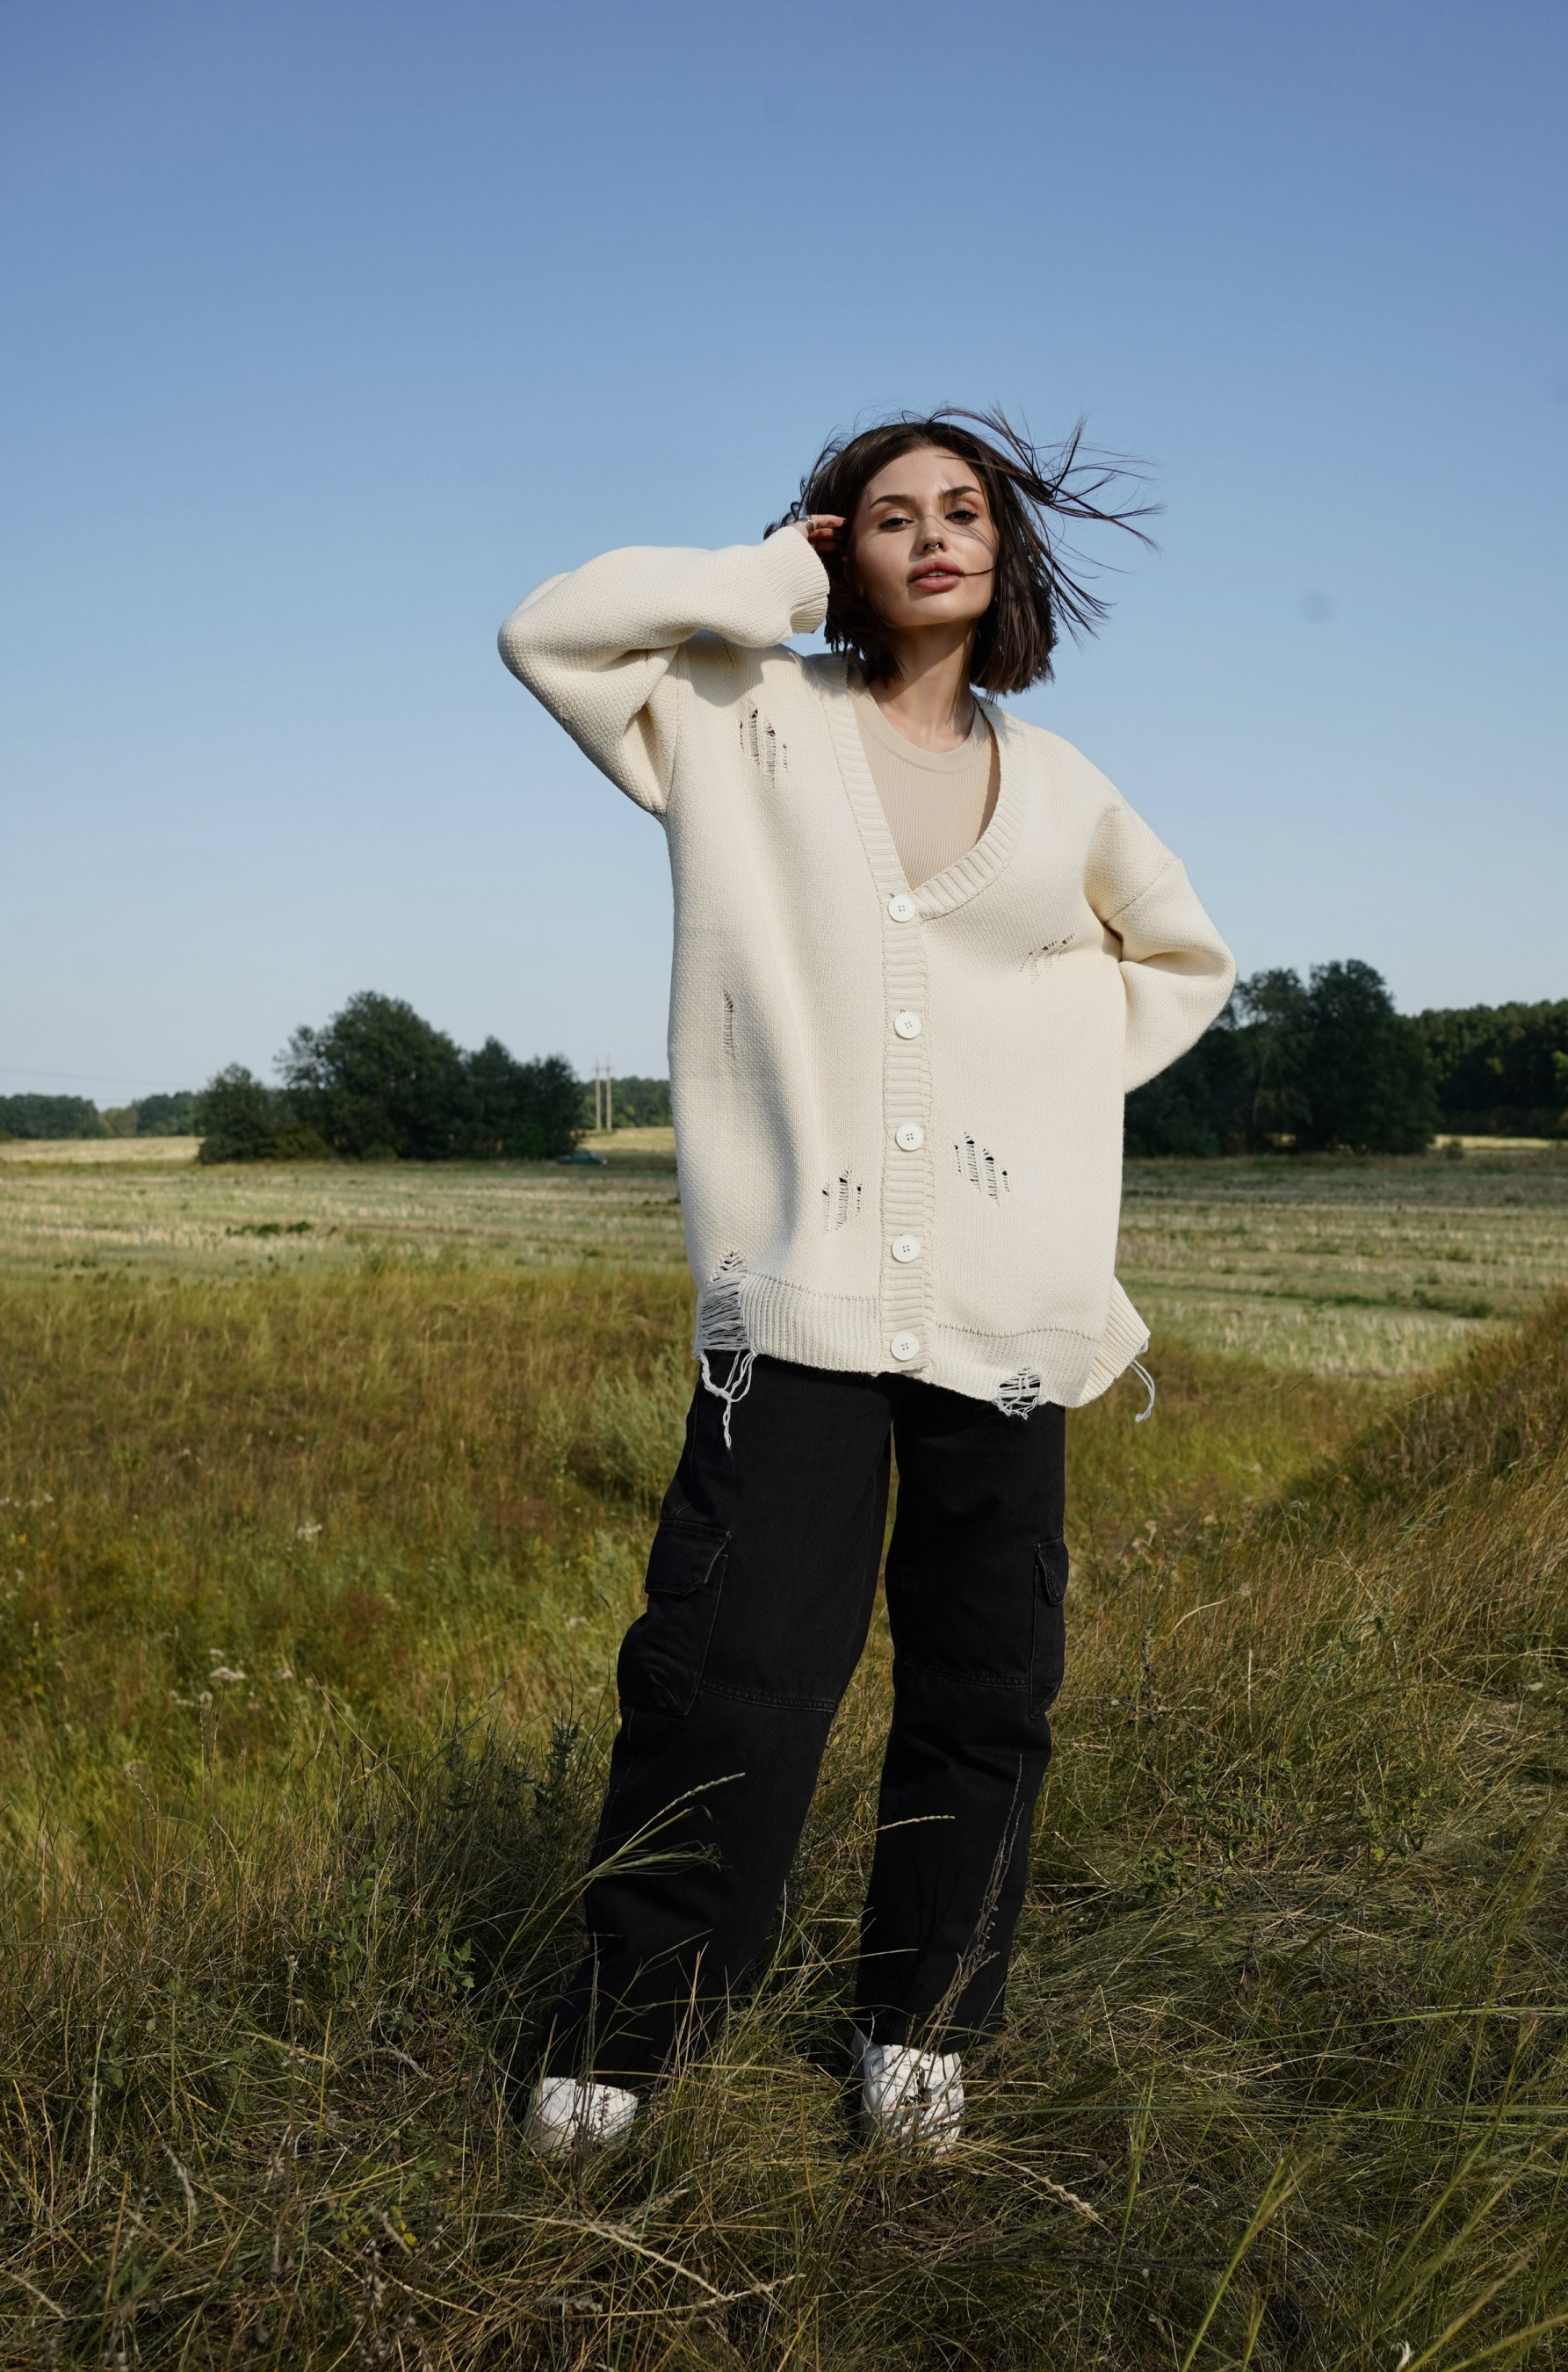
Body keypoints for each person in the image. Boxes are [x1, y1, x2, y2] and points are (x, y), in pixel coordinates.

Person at [498, 410, 1234, 2157]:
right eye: (887, 515)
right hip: (799, 1298)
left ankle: (920, 2027)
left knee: (983, 1686)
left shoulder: (1065, 790)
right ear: (842, 545)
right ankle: (627, 2037)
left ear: (1003, 548)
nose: (931, 536)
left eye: (961, 509)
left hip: (1009, 1314)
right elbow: (551, 632)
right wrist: (772, 570)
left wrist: (1033, 1086)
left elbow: (1181, 960)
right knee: (726, 1678)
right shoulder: (737, 714)